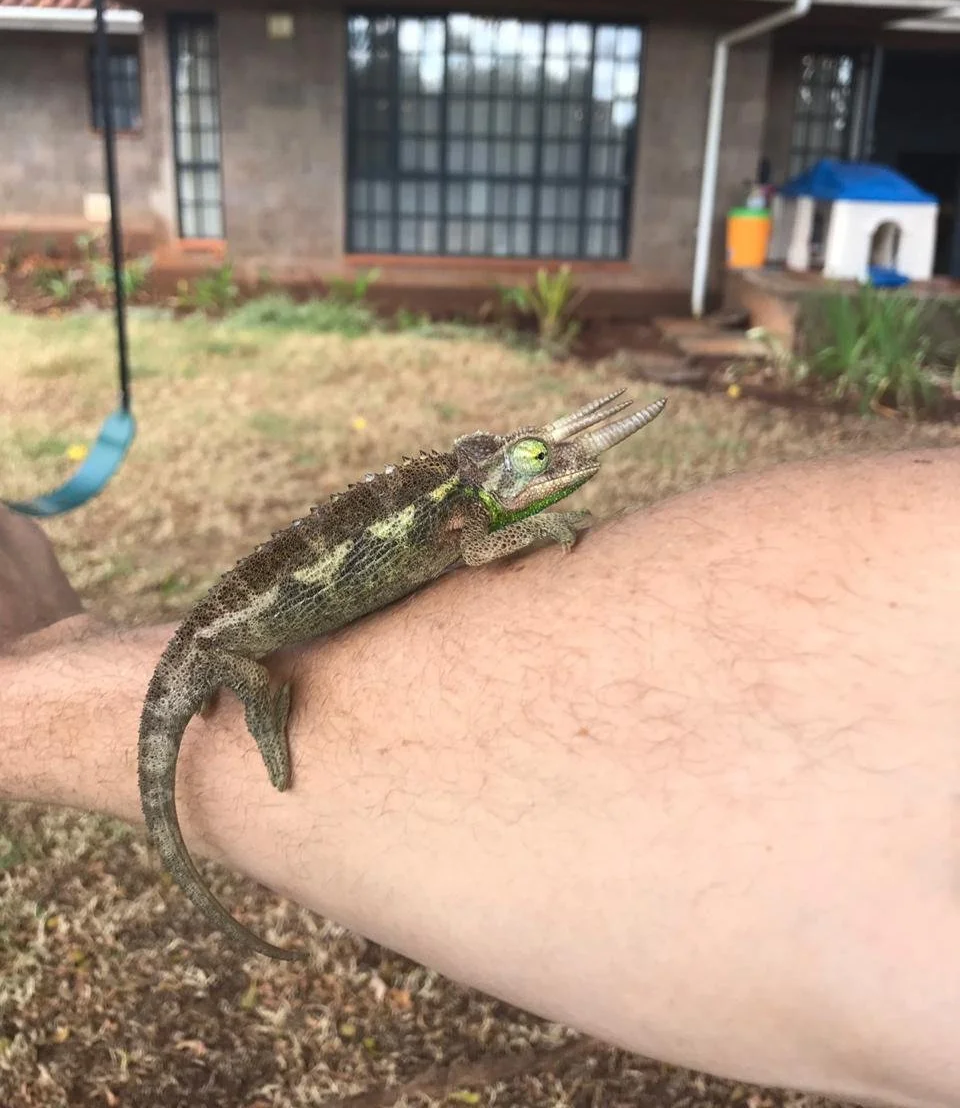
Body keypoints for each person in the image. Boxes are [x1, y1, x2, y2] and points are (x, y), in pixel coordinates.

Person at [1, 447, 958, 1108]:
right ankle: (262, 713)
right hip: (222, 646)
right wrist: (264, 715)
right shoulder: (463, 514)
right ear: (492, 481)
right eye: (535, 464)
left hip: (224, 632)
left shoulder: (461, 500)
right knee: (253, 692)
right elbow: (484, 545)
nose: (554, 474)